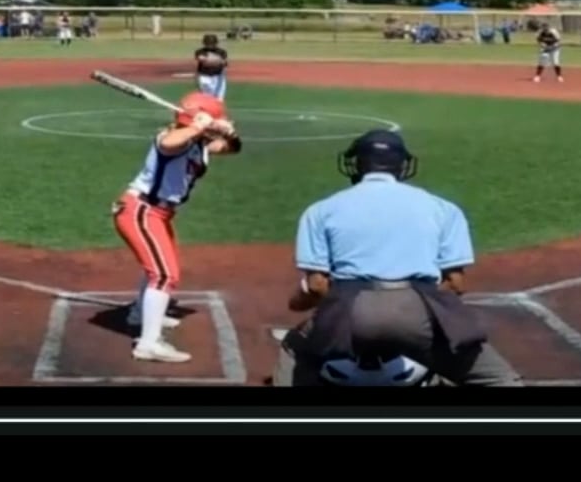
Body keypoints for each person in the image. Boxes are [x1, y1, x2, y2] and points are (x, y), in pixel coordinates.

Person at [272, 129, 518, 387]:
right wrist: (420, 312)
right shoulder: (443, 208)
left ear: (357, 163)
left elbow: (316, 286)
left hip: (351, 311)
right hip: (418, 311)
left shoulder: (321, 210)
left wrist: (309, 307)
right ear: (403, 166)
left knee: (295, 349)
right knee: (498, 379)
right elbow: (455, 284)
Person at [113, 90, 243, 363]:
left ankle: (140, 313)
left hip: (159, 214)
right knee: (164, 274)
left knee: (159, 269)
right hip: (141, 210)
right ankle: (148, 344)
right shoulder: (172, 136)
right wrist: (199, 126)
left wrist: (229, 133)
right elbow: (168, 143)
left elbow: (232, 149)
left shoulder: (199, 143)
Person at [194, 33, 229, 100]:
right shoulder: (200, 51)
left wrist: (216, 60)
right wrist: (214, 59)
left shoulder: (221, 52)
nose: (210, 45)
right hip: (204, 77)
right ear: (204, 43)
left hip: (218, 77)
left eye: (212, 43)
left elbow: (225, 63)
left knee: (219, 99)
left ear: (216, 43)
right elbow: (200, 58)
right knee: (206, 98)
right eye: (208, 43)